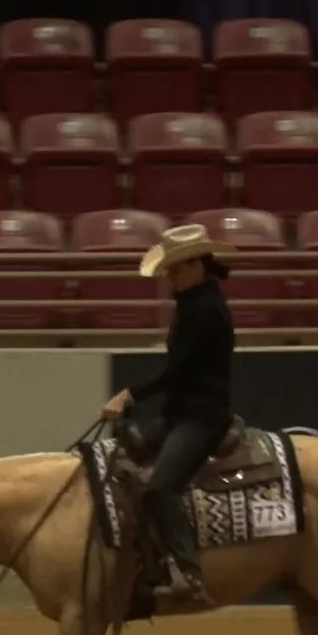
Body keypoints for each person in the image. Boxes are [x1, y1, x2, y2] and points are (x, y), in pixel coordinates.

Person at [100, 225, 238, 607]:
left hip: (202, 420)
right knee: (126, 456)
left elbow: (178, 370)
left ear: (195, 266)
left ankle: (189, 574)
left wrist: (129, 394)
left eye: (174, 270)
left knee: (161, 486)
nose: (169, 278)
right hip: (182, 415)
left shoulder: (207, 311)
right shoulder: (194, 304)